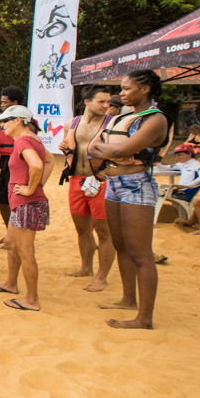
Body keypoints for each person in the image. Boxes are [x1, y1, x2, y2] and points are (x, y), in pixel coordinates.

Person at [87, 69, 171, 330]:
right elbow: (92, 149)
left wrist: (110, 151)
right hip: (114, 184)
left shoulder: (155, 120)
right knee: (120, 245)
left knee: (141, 253)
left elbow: (119, 149)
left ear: (145, 89)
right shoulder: (126, 117)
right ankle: (127, 299)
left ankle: (144, 319)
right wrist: (110, 151)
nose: (121, 93)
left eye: (126, 88)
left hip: (137, 186)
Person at [0, 106, 49, 312]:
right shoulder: (31, 138)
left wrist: (32, 188)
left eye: (6, 120)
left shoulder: (23, 140)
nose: (3, 125)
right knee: (11, 243)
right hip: (22, 203)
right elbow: (48, 161)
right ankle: (11, 284)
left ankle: (32, 300)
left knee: (26, 252)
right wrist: (38, 185)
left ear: (18, 121)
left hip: (26, 203)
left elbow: (38, 165)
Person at [58, 85, 116, 292]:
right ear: (87, 102)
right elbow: (67, 147)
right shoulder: (71, 124)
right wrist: (64, 148)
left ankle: (102, 277)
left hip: (101, 182)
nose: (106, 106)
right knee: (82, 229)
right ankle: (86, 268)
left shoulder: (112, 124)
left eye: (108, 102)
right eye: (101, 101)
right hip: (76, 180)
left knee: (105, 232)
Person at [0, 86, 25, 229]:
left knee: (15, 201)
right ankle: (10, 230)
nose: (2, 105)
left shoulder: (26, 121)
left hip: (18, 163)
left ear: (15, 103)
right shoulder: (5, 121)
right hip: (5, 162)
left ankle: (16, 234)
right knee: (1, 199)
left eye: (5, 102)